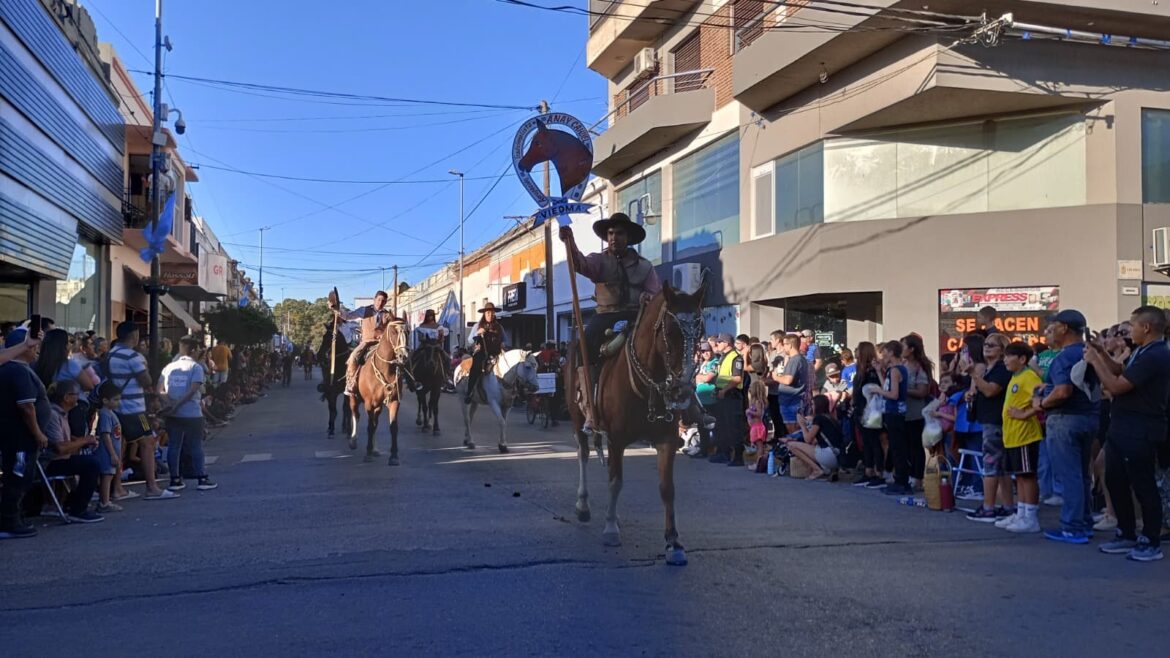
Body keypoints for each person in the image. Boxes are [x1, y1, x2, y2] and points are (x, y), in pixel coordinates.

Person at [559, 212, 661, 430]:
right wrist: (569, 241)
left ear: (629, 237)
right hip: (605, 316)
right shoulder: (599, 260)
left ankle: (675, 404)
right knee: (582, 347)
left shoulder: (645, 266)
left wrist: (648, 297)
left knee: (663, 344)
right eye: (610, 233)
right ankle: (589, 408)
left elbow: (655, 293)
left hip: (636, 316)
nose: (614, 237)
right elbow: (579, 264)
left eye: (619, 233)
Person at [1086, 307, 1170, 562]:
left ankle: (1151, 540)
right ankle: (1126, 533)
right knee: (1115, 480)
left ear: (1146, 328)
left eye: (1132, 326)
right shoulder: (1141, 352)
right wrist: (1101, 353)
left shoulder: (1156, 355)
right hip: (1122, 426)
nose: (1129, 332)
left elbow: (1116, 386)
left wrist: (1094, 361)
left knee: (1143, 484)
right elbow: (1120, 371)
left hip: (1141, 427)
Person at [1034, 309, 1100, 544]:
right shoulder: (1088, 352)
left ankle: (1072, 527)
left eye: (1053, 327)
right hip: (1089, 417)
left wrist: (1042, 402)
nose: (1049, 333)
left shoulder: (1064, 356)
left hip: (1065, 419)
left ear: (1064, 328)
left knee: (1070, 475)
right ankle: (1083, 522)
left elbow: (1063, 391)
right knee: (1082, 475)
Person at [107, 321, 177, 500]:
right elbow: (146, 381)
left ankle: (117, 488)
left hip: (116, 407)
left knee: (119, 447)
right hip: (134, 408)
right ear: (134, 336)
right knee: (148, 443)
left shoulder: (111, 354)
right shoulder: (133, 357)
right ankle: (152, 487)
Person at [0, 328, 51, 538]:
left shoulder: (14, 368)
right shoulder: (17, 371)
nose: (36, 351)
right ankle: (9, 521)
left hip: (17, 437)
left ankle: (14, 517)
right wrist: (38, 433)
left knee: (19, 477)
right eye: (33, 347)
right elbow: (26, 407)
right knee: (19, 477)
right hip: (20, 438)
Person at [964, 333, 1014, 522]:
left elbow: (991, 390)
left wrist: (973, 375)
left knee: (991, 466)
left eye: (992, 345)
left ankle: (988, 507)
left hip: (996, 422)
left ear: (1002, 351)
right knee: (1001, 468)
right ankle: (1008, 506)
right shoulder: (988, 369)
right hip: (989, 420)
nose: (986, 347)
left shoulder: (1001, 369)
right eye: (985, 344)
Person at [41, 379, 104, 523]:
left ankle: (71, 504)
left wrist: (82, 441)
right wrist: (85, 440)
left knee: (91, 460)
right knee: (91, 464)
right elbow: (60, 447)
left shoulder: (62, 414)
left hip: (61, 458)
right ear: (67, 397)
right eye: (77, 394)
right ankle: (78, 509)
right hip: (50, 462)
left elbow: (65, 439)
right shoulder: (53, 414)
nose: (79, 398)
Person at [160, 336, 217, 492]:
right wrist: (178, 403)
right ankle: (202, 478)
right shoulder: (196, 367)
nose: (200, 351)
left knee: (174, 446)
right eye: (198, 348)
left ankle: (175, 479)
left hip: (173, 414)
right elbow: (193, 390)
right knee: (196, 446)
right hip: (192, 413)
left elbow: (159, 389)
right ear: (193, 350)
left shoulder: (169, 367)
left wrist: (169, 403)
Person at [998, 342, 1045, 533]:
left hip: (1025, 435)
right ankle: (1022, 512)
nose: (1005, 360)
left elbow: (1040, 400)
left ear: (1022, 359)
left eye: (1010, 356)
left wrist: (1024, 415)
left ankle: (1031, 517)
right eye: (1005, 356)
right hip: (1013, 436)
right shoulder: (1014, 378)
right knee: (1019, 475)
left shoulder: (1028, 377)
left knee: (1027, 476)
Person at [337, 291, 400, 397]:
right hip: (367, 341)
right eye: (379, 299)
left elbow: (393, 328)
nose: (381, 302)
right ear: (374, 299)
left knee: (400, 358)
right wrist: (337, 309)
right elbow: (348, 316)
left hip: (382, 343)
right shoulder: (364, 310)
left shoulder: (388, 315)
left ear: (385, 302)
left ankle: (405, 381)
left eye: (383, 301)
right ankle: (350, 383)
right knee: (353, 357)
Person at [875, 340, 910, 495]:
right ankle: (901, 480)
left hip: (895, 412)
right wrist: (879, 373)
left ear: (891, 353)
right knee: (897, 447)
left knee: (897, 448)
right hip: (896, 412)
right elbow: (887, 387)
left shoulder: (896, 370)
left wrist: (878, 391)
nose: (883, 356)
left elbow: (893, 394)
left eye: (885, 352)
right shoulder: (895, 370)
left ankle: (901, 481)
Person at [851, 342, 886, 488]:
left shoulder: (871, 372)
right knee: (866, 442)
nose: (856, 352)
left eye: (858, 350)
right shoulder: (860, 370)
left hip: (870, 412)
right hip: (860, 410)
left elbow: (874, 390)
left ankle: (878, 473)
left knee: (874, 441)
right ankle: (868, 470)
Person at [790, 395, 843, 481]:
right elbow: (815, 441)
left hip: (829, 455)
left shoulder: (819, 418)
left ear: (818, 406)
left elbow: (808, 440)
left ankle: (817, 470)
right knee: (814, 447)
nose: (811, 407)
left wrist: (802, 425)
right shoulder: (831, 418)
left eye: (812, 404)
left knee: (791, 446)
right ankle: (827, 469)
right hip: (838, 456)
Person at [710, 334, 744, 465]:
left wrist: (724, 390)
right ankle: (723, 453)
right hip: (722, 395)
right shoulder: (723, 357)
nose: (717, 344)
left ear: (727, 343)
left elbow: (737, 379)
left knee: (733, 427)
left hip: (731, 395)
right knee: (722, 426)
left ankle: (738, 457)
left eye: (719, 342)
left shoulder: (736, 357)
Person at [464, 302, 506, 403]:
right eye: (488, 313)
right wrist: (477, 333)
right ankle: (469, 392)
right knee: (475, 368)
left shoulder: (499, 327)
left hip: (496, 353)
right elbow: (469, 340)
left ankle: (511, 393)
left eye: (492, 313)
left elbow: (505, 339)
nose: (490, 315)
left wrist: (503, 344)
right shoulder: (477, 326)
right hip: (481, 353)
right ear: (484, 314)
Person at [93, 381, 125, 513]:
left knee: (109, 475)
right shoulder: (105, 414)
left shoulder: (110, 413)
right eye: (115, 399)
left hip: (112, 451)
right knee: (107, 476)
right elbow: (106, 435)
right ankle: (104, 502)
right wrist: (112, 454)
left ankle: (105, 500)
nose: (118, 402)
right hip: (107, 452)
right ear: (105, 400)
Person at [772, 334, 808, 435]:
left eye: (784, 344)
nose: (783, 347)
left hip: (792, 401)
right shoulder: (798, 359)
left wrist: (776, 377)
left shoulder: (795, 360)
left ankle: (796, 450)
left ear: (790, 345)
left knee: (794, 432)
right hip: (793, 400)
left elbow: (788, 380)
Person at [745, 379, 769, 471]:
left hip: (758, 427)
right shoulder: (753, 401)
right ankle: (758, 461)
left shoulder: (758, 402)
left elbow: (759, 413)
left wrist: (749, 411)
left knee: (759, 446)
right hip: (754, 427)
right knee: (757, 445)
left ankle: (759, 463)